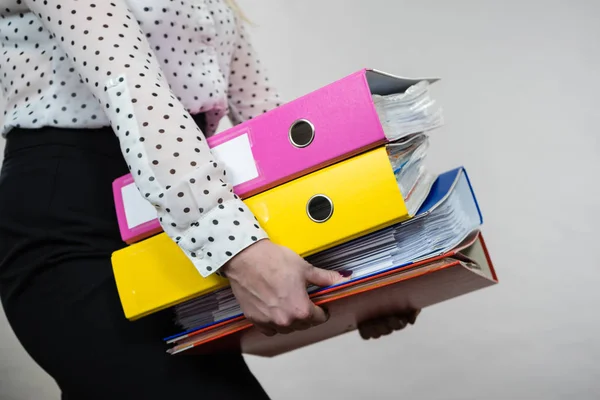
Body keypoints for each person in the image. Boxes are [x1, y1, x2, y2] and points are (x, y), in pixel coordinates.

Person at [0, 0, 419, 398]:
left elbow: (266, 120)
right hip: (75, 226)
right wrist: (236, 249)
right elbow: (130, 87)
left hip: (176, 235)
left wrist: (354, 270)